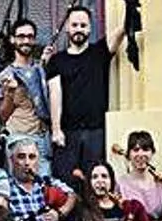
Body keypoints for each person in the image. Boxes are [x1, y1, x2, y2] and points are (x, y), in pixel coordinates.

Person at [47, 5, 126, 181]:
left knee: (93, 182)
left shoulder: (99, 52)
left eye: (83, 25)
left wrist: (130, 8)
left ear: (90, 28)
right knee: (66, 182)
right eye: (74, 25)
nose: (79, 29)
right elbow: (55, 94)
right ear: (67, 28)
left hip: (95, 131)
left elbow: (122, 30)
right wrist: (56, 129)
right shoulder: (57, 60)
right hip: (67, 132)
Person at [0, 19, 53, 176]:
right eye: (21, 36)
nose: (26, 41)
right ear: (12, 39)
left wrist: (46, 66)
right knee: (18, 186)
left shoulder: (41, 69)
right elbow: (3, 115)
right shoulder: (6, 75)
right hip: (18, 139)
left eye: (30, 36)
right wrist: (10, 92)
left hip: (42, 139)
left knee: (44, 186)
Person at [8, 137, 76, 221]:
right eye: (21, 157)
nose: (27, 163)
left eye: (32, 157)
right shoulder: (5, 186)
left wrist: (59, 213)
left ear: (38, 161)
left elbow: (72, 195)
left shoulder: (46, 182)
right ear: (12, 160)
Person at [76, 160, 157, 221]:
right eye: (95, 177)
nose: (100, 180)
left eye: (104, 176)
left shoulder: (129, 207)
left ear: (112, 181)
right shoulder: (83, 209)